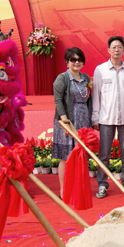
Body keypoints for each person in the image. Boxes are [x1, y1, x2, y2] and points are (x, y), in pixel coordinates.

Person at [91, 36, 124, 198]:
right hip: (106, 118)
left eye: (119, 47)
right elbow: (95, 96)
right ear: (108, 50)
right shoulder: (100, 70)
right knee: (104, 153)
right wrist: (95, 118)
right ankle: (102, 184)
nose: (116, 50)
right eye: (113, 47)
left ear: (123, 50)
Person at [52, 47, 92, 197]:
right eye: (73, 60)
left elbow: (89, 99)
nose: (76, 62)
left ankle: (78, 188)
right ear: (67, 62)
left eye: (79, 60)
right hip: (67, 119)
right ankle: (64, 190)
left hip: (83, 118)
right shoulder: (62, 78)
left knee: (80, 155)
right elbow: (58, 100)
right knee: (66, 156)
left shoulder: (86, 78)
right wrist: (65, 123)